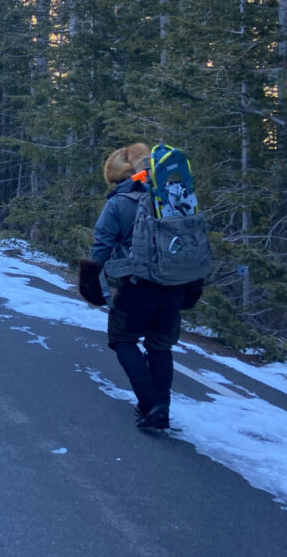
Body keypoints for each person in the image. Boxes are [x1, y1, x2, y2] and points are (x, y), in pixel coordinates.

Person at [78, 143, 202, 430]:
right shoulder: (176, 199)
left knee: (123, 339)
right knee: (160, 346)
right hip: (174, 285)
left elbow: (101, 249)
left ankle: (151, 402)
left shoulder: (119, 204)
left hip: (136, 286)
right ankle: (162, 408)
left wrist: (92, 284)